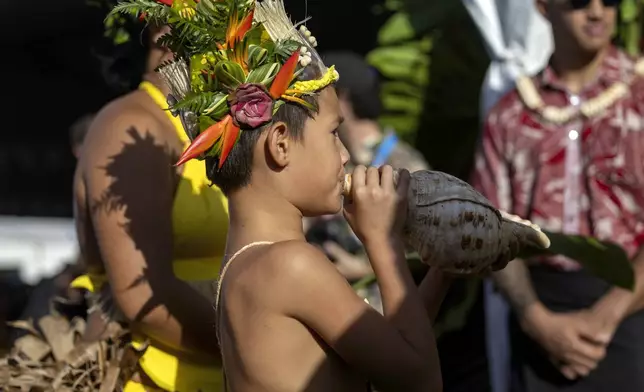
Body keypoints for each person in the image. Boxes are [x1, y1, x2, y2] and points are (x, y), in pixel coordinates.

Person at [122, 0, 453, 389]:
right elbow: (421, 378)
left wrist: (444, 268)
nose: (345, 154)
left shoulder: (252, 262)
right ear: (280, 144)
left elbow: (394, 350)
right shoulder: (291, 265)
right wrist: (383, 241)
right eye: (333, 134)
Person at [471, 0, 644, 390]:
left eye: (611, 1)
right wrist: (537, 320)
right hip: (538, 313)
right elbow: (491, 230)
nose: (598, 13)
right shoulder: (510, 114)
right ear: (544, 7)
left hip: (631, 309)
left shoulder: (638, 96)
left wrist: (605, 318)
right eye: (581, 1)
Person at [71, 8, 229, 392]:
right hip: (151, 377)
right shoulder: (131, 126)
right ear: (162, 30)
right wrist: (256, 348)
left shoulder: (209, 126)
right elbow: (143, 295)